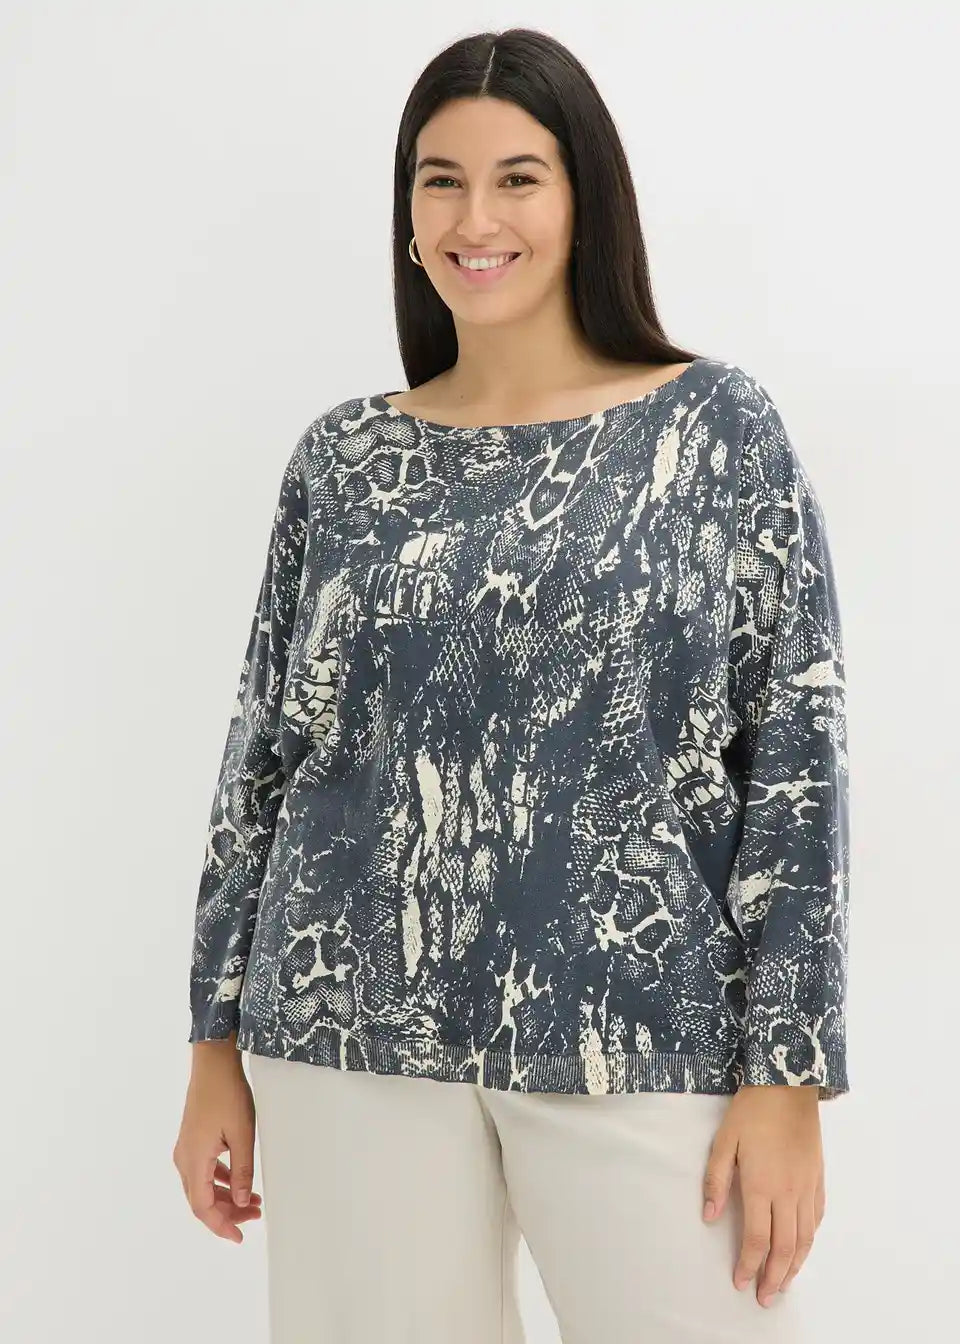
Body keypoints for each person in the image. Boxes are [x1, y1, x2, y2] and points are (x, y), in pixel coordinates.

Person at [173, 26, 851, 1344]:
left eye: (517, 179)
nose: (474, 219)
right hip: (343, 1028)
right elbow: (264, 757)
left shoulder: (714, 431)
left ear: (586, 198)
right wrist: (213, 1047)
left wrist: (789, 1076)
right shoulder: (344, 459)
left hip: (637, 1025)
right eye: (440, 181)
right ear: (407, 213)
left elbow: (796, 758)